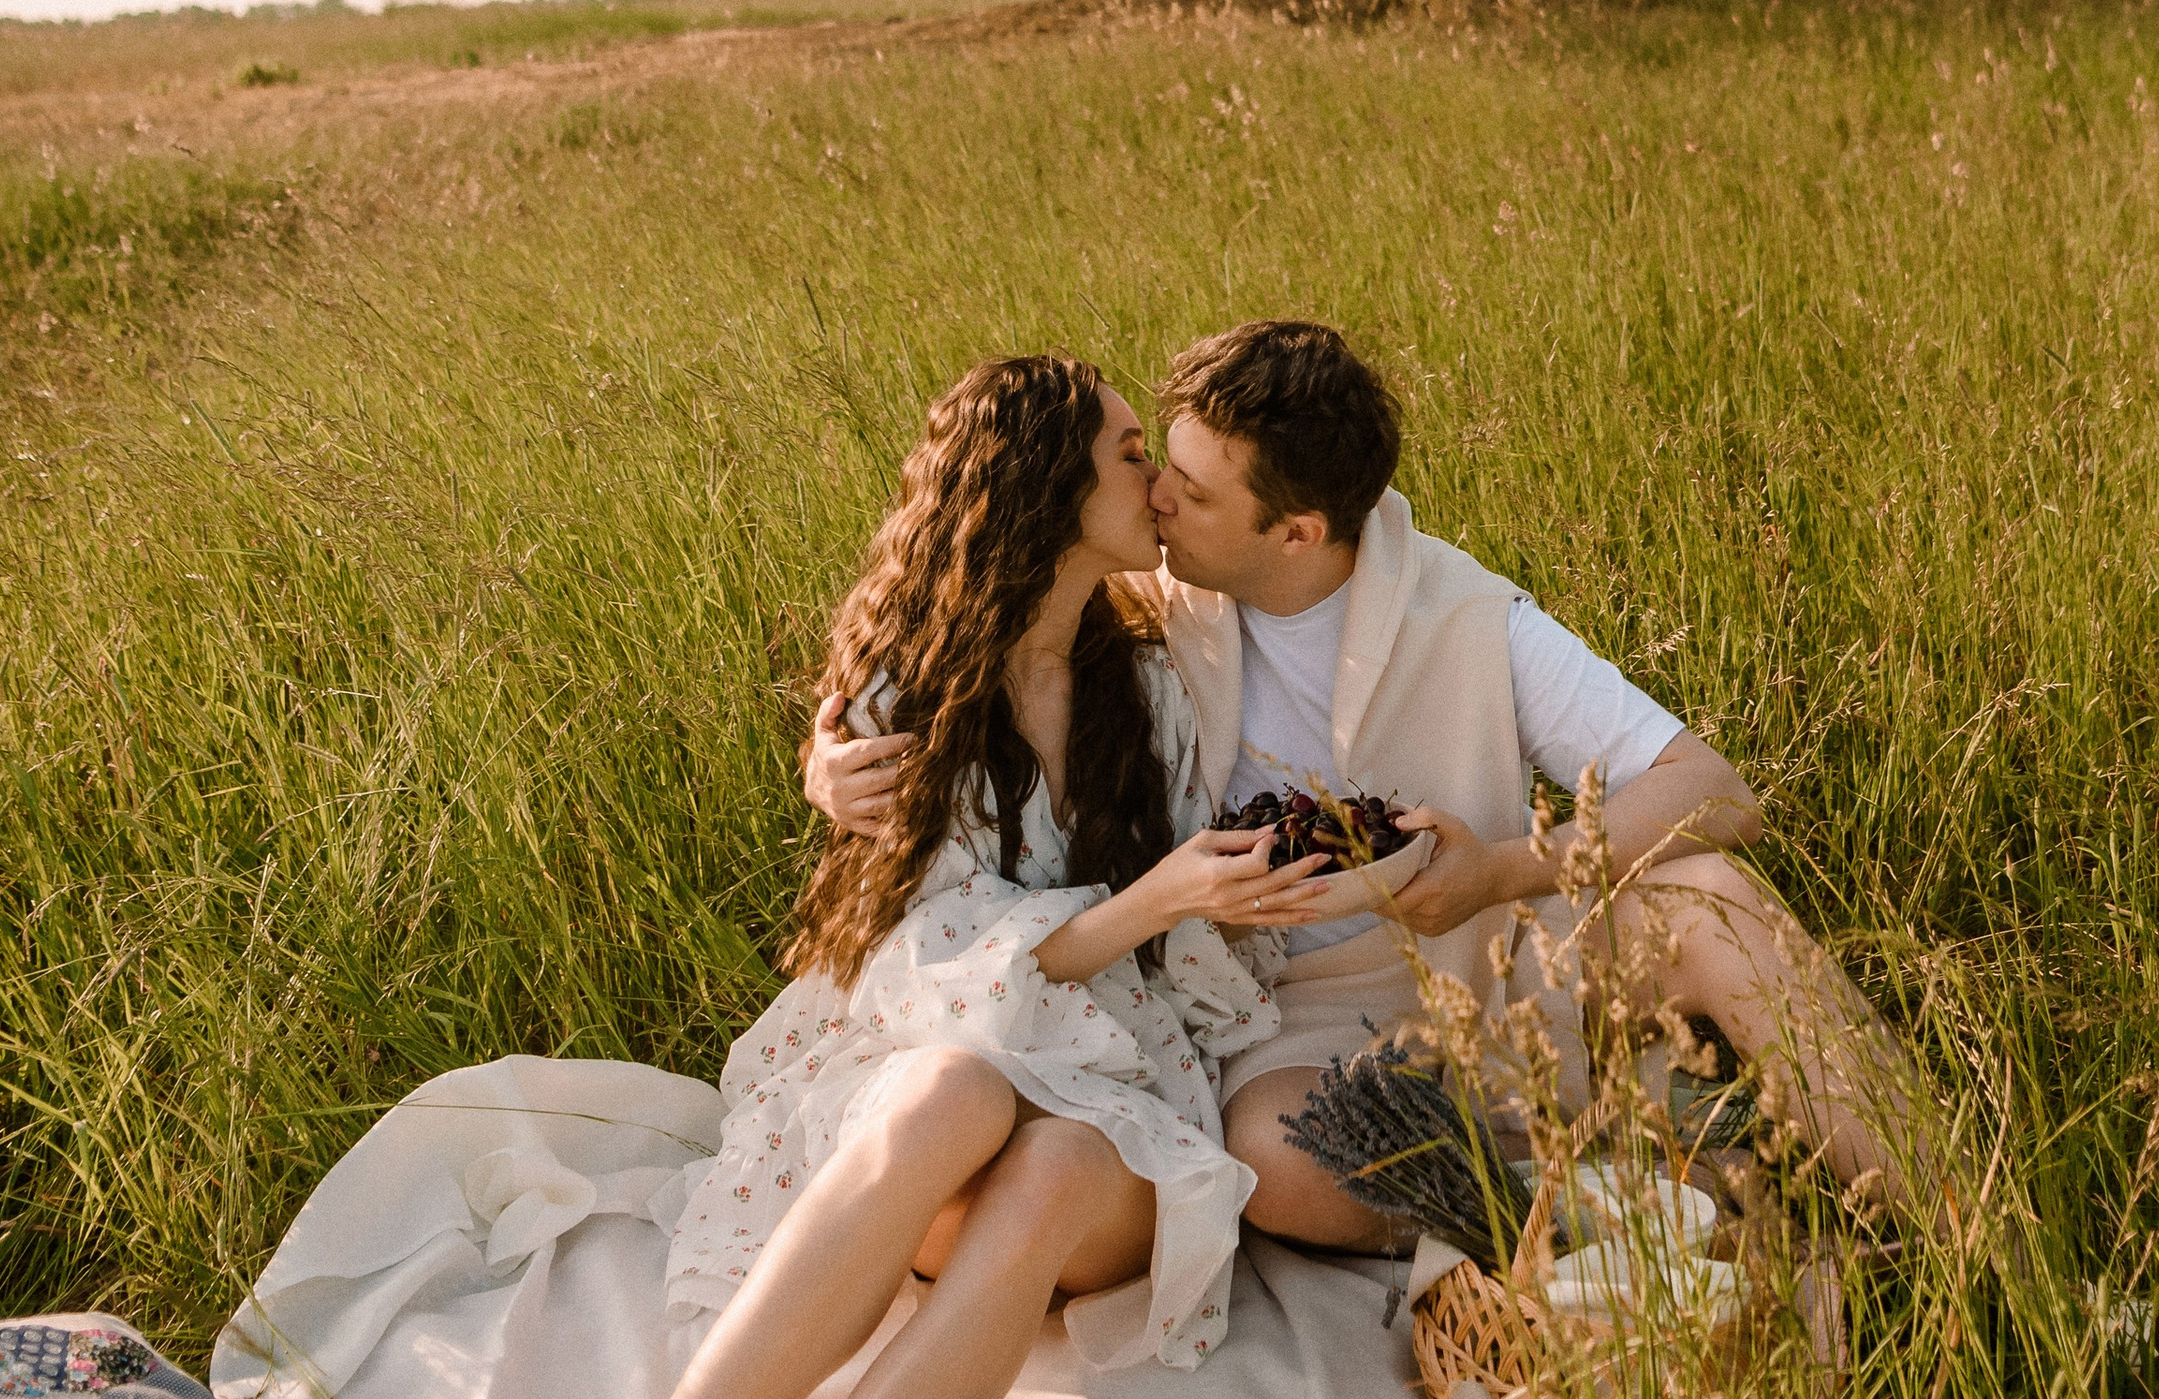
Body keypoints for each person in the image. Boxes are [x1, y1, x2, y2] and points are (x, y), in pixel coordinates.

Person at [513, 354, 1328, 1399]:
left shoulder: (1158, 672)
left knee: (1060, 1158)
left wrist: (1213, 892)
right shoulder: (910, 692)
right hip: (942, 1073)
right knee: (951, 1083)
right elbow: (944, 952)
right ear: (1044, 488)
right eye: (1130, 451)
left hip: (1112, 1112)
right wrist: (1149, 891)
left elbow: (1178, 938)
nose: (1156, 478)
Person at [808, 321, 1931, 1253]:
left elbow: (1714, 789)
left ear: (1294, 531)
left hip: (1501, 948)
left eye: (1190, 492)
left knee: (1709, 891)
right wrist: (833, 756)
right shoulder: (1150, 594)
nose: (1153, 499)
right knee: (1278, 1164)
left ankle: (1986, 1248)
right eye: (1158, 465)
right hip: (1290, 1015)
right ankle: (1612, 1202)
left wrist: (1502, 870)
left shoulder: (1463, 610)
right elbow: (974, 615)